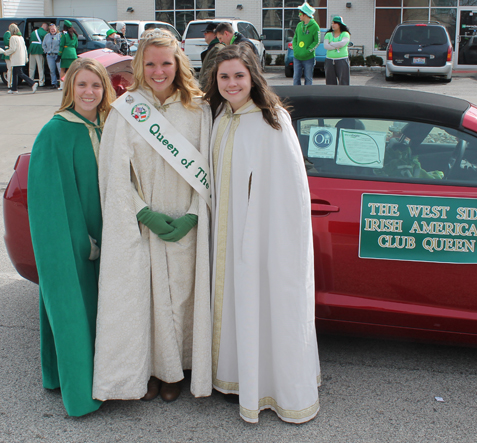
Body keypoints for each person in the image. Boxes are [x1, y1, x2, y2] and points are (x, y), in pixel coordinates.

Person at [93, 28, 212, 404]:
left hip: (187, 225)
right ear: (140, 66)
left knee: (181, 300)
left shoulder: (199, 108)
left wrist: (194, 216)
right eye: (151, 64)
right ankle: (147, 370)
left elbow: (212, 169)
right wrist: (143, 212)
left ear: (178, 62)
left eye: (166, 63)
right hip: (143, 224)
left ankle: (175, 371)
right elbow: (113, 172)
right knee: (145, 300)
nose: (159, 71)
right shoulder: (126, 110)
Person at [204, 44, 321, 424]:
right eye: (224, 76)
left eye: (239, 75)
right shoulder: (221, 117)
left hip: (261, 240)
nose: (232, 83)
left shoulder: (273, 121)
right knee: (237, 305)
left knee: (265, 307)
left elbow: (289, 194)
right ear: (215, 80)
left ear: (253, 76)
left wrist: (271, 247)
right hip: (227, 238)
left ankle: (272, 388)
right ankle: (237, 380)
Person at [27, 57, 116, 417]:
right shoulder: (55, 132)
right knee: (74, 311)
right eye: (82, 85)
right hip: (75, 243)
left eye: (96, 85)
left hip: (112, 237)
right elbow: (50, 201)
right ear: (70, 88)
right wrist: (84, 242)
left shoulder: (108, 126)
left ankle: (103, 379)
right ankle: (81, 393)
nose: (89, 92)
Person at [0, 24, 38, 94]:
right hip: (21, 57)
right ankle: (14, 89)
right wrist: (26, 57)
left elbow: (12, 49)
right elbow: (24, 48)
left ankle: (32, 83)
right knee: (15, 73)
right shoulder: (21, 37)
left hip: (16, 58)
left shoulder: (13, 38)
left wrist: (5, 52)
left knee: (20, 73)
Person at [292, 2, 320, 86]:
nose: (299, 15)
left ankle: (307, 95)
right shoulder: (299, 25)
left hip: (309, 58)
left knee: (308, 78)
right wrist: (296, 48)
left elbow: (317, 41)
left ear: (305, 14)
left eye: (300, 13)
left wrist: (308, 51)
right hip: (297, 57)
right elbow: (295, 38)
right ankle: (296, 94)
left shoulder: (315, 26)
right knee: (296, 77)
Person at [324, 15, 351, 85]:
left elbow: (342, 44)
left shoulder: (345, 34)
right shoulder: (328, 34)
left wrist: (332, 43)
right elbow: (326, 46)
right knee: (330, 80)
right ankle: (331, 95)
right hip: (329, 60)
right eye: (332, 23)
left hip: (342, 59)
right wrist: (337, 46)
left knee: (343, 80)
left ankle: (343, 95)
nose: (333, 25)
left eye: (335, 23)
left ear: (340, 25)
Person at [198, 22, 224, 91]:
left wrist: (201, 92)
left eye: (207, 32)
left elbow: (209, 74)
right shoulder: (213, 48)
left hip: (209, 93)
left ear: (215, 34)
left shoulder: (217, 49)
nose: (204, 34)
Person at [58, 20, 78, 91]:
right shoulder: (75, 34)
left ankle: (62, 85)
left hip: (65, 53)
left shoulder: (64, 34)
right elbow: (76, 45)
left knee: (63, 69)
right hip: (73, 53)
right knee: (71, 70)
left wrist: (59, 54)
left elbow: (61, 45)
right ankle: (72, 84)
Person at [28, 22, 48, 87]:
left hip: (32, 49)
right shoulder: (45, 33)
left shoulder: (33, 32)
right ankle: (41, 81)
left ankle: (30, 81)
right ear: (45, 26)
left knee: (31, 67)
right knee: (40, 67)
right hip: (39, 50)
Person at [42, 23, 61, 89]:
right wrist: (46, 51)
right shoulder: (47, 36)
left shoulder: (59, 35)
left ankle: (61, 83)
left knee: (60, 70)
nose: (52, 30)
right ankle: (54, 83)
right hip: (50, 55)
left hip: (57, 55)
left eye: (53, 29)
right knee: (52, 70)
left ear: (56, 29)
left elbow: (61, 45)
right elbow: (43, 44)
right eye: (51, 29)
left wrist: (60, 53)